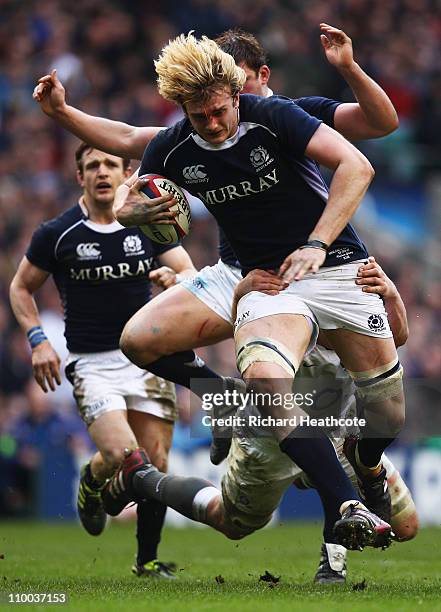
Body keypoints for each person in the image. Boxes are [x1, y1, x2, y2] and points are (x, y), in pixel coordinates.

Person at [33, 25, 401, 550]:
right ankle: (233, 407)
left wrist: (347, 66)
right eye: (197, 113)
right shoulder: (182, 139)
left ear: (245, 85)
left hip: (320, 268)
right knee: (142, 340)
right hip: (250, 278)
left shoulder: (286, 115)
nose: (211, 122)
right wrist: (125, 202)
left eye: (225, 103)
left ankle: (359, 477)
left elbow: (371, 137)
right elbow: (125, 144)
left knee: (381, 409)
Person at [101, 260, 418, 584]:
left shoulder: (347, 271)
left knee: (405, 526)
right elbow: (241, 322)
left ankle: (334, 554)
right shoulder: (282, 285)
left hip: (335, 428)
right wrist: (230, 291)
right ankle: (140, 478)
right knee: (230, 522)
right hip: (271, 433)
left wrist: (390, 294)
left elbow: (397, 337)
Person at [9, 143, 196, 578]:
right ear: (80, 176)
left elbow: (188, 269)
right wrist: (38, 340)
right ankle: (93, 485)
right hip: (92, 363)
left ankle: (146, 561)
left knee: (158, 461)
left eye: (110, 163)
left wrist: (176, 278)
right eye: (92, 165)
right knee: (121, 455)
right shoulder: (58, 233)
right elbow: (20, 288)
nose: (101, 172)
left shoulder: (148, 224)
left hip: (148, 358)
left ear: (124, 171)